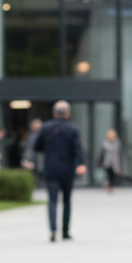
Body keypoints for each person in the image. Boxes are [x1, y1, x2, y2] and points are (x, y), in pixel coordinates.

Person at [34, 100, 86, 242]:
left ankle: (52, 230)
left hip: (51, 169)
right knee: (67, 201)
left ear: (54, 113)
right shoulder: (73, 129)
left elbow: (37, 146)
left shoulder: (45, 128)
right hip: (67, 170)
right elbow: (78, 149)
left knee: (52, 201)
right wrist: (80, 164)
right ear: (68, 113)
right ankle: (65, 232)